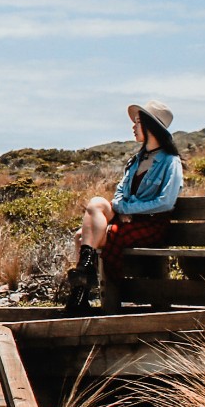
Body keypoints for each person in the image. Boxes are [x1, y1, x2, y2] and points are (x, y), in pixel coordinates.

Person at [63, 99, 182, 314]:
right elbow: (118, 194)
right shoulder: (136, 160)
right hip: (128, 217)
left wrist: (129, 210)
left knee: (83, 237)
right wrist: (120, 208)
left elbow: (166, 202)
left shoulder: (170, 162)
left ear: (150, 126)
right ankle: (86, 275)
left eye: (137, 122)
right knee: (96, 203)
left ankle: (78, 298)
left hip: (151, 224)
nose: (133, 127)